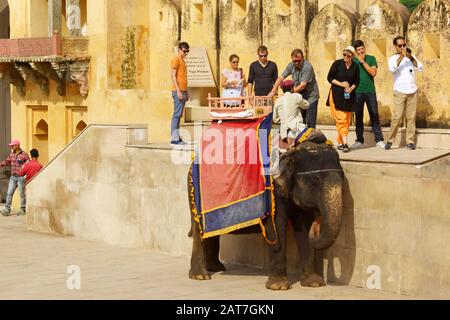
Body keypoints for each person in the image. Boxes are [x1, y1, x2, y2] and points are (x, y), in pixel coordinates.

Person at [385, 36, 424, 151]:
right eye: (400, 46)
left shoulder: (410, 58)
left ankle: (410, 142)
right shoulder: (392, 58)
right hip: (400, 91)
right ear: (395, 46)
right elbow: (392, 69)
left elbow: (420, 67)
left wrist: (410, 57)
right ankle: (390, 140)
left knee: (411, 117)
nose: (403, 47)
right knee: (397, 116)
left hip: (412, 90)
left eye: (404, 45)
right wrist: (401, 56)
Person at [270, 48, 319, 128]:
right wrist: (273, 90)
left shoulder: (307, 67)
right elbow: (281, 77)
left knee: (310, 122)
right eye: (294, 61)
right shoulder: (291, 65)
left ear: (303, 58)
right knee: (300, 121)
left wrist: (288, 94)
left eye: (298, 61)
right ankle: (301, 139)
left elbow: (302, 85)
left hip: (311, 96)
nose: (296, 63)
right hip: (299, 96)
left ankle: (310, 138)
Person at [351, 40, 385, 149]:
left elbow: (373, 73)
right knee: (358, 116)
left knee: (374, 115)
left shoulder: (371, 58)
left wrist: (363, 62)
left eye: (362, 49)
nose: (361, 51)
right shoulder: (353, 61)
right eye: (359, 50)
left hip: (370, 91)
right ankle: (359, 140)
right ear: (356, 52)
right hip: (357, 92)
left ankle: (379, 140)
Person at [326, 46, 360, 153]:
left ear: (352, 57)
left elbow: (357, 81)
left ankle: (340, 142)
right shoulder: (337, 64)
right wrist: (342, 84)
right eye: (344, 54)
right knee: (341, 119)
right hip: (336, 95)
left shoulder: (355, 67)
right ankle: (345, 143)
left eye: (348, 55)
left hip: (348, 96)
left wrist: (350, 89)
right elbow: (329, 78)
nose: (345, 57)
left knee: (347, 120)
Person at [273, 79, 310, 146]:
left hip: (284, 134)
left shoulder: (278, 101)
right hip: (297, 131)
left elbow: (275, 119)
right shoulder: (296, 97)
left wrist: (283, 119)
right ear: (291, 88)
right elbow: (307, 105)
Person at [0, 140, 29, 216]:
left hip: (21, 178)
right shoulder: (11, 155)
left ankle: (22, 209)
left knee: (22, 194)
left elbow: (28, 164)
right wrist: (0, 164)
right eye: (11, 146)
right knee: (9, 193)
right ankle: (7, 210)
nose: (11, 147)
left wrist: (26, 175)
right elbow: (6, 162)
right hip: (13, 177)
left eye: (12, 146)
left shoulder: (24, 155)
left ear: (17, 146)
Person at [170, 41, 190, 146]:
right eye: (184, 51)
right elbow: (173, 75)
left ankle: (177, 137)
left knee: (179, 115)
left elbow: (183, 78)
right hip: (178, 90)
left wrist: (186, 92)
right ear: (179, 50)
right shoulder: (176, 59)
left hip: (183, 90)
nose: (186, 53)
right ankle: (174, 138)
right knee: (176, 115)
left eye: (187, 51)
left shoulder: (183, 61)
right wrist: (178, 90)